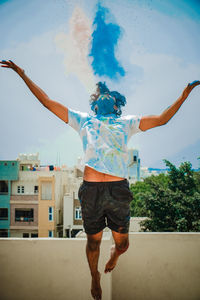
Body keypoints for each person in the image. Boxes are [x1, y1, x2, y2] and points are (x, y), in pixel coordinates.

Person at [1, 59, 199, 300]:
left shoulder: (127, 123)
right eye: (98, 95)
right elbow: (47, 102)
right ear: (94, 106)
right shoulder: (83, 120)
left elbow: (161, 119)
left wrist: (184, 95)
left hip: (118, 190)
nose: (103, 95)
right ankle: (94, 276)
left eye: (108, 94)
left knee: (123, 244)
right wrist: (23, 74)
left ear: (116, 106)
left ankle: (115, 253)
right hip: (92, 190)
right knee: (93, 243)